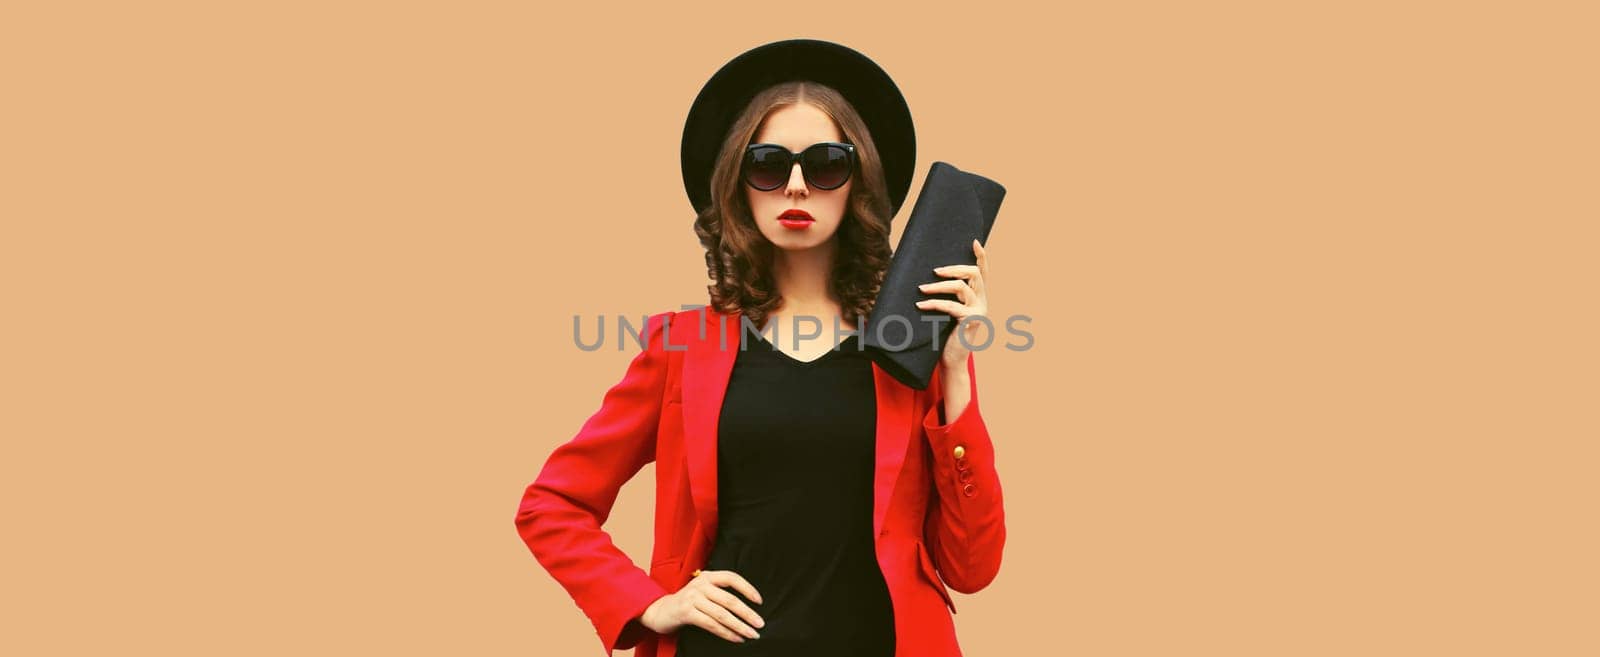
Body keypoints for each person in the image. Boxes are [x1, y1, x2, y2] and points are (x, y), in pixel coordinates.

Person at [515, 39, 1005, 657]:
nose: (796, 186)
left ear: (859, 185)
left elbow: (972, 567)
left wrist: (956, 368)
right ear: (739, 184)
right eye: (768, 164)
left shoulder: (911, 349)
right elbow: (551, 504)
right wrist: (649, 601)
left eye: (827, 163)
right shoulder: (681, 347)